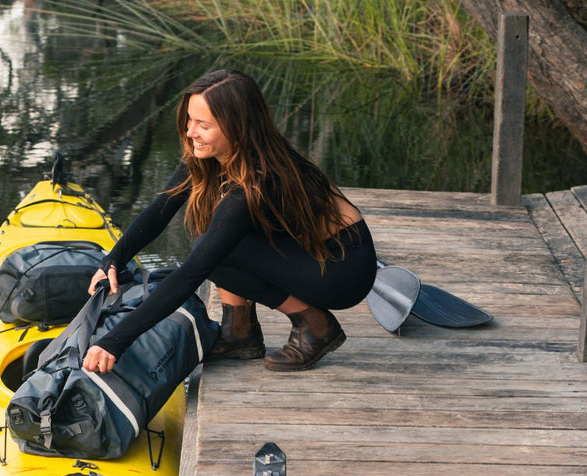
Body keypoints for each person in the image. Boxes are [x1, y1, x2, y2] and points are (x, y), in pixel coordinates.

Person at [81, 69, 377, 373]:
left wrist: (113, 341)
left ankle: (315, 325)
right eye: (189, 120)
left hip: (343, 268)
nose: (190, 132)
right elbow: (161, 209)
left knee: (212, 250)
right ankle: (239, 333)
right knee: (210, 242)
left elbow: (191, 275)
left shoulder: (255, 184)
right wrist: (113, 260)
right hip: (308, 251)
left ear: (237, 128)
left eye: (203, 125)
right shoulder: (210, 157)